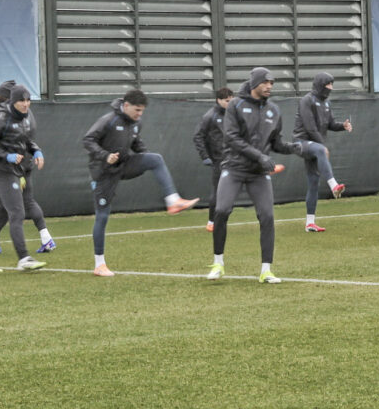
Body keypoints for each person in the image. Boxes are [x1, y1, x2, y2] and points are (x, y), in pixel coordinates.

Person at [83, 89, 198, 277]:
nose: (140, 114)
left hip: (124, 165)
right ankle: (99, 265)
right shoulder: (108, 120)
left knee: (155, 159)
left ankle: (173, 201)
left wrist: (144, 156)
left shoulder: (136, 123)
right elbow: (88, 140)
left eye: (142, 111)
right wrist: (105, 156)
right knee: (102, 216)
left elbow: (137, 144)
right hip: (104, 172)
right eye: (137, 110)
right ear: (126, 105)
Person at [206, 67, 304, 283]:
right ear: (254, 84)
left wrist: (293, 148)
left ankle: (266, 271)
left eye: (272, 83)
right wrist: (260, 156)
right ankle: (218, 263)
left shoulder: (274, 110)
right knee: (221, 210)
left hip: (258, 174)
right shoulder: (235, 105)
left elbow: (276, 143)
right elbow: (231, 138)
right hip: (233, 168)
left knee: (267, 216)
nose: (269, 86)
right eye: (265, 82)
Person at [0, 79, 56, 256]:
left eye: (0, 96)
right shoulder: (15, 115)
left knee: (11, 209)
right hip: (19, 166)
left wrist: (21, 156)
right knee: (19, 204)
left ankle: (18, 255)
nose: (26, 104)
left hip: (13, 169)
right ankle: (45, 238)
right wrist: (34, 152)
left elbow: (21, 141)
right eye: (22, 100)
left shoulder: (12, 116)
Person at [292, 72, 352, 232]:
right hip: (300, 142)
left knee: (313, 183)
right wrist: (322, 147)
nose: (331, 87)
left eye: (332, 84)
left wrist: (342, 126)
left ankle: (310, 223)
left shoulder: (327, 103)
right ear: (320, 84)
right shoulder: (306, 100)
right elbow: (310, 128)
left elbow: (330, 124)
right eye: (328, 84)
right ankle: (334, 185)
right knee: (320, 150)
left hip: (315, 146)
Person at [193, 87, 233, 233]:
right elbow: (198, 136)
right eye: (227, 101)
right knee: (218, 191)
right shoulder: (210, 116)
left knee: (232, 190)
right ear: (218, 100)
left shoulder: (233, 114)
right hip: (219, 160)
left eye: (231, 101)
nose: (230, 103)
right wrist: (205, 157)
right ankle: (211, 221)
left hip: (233, 159)